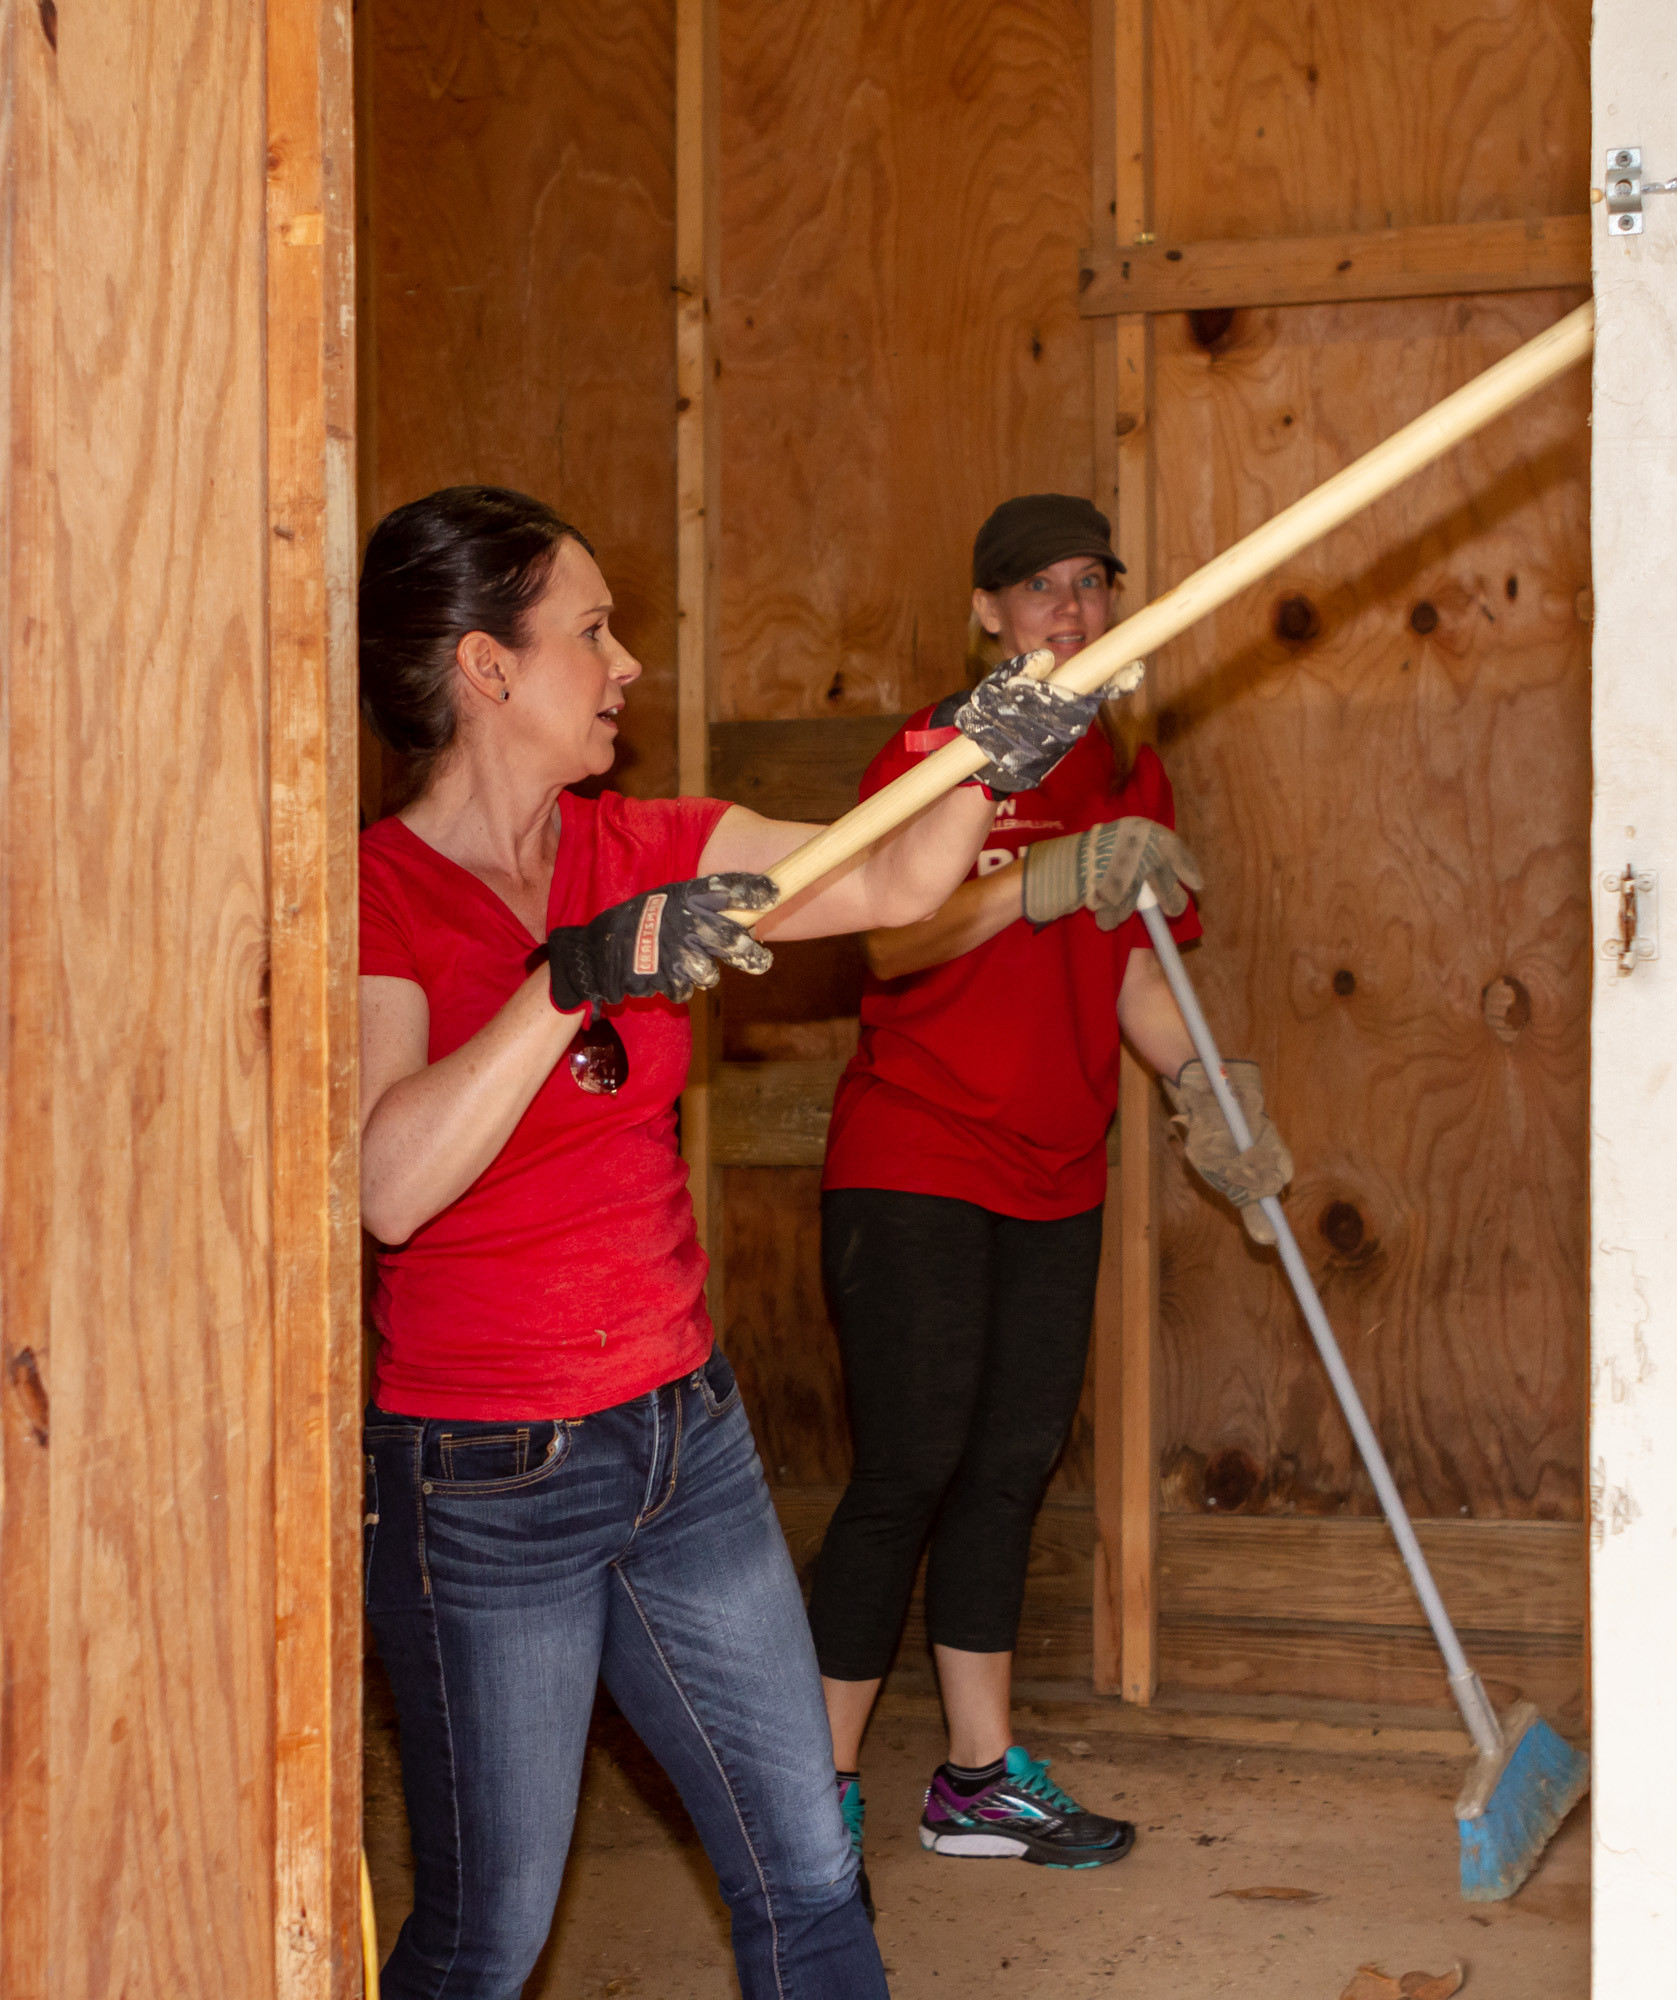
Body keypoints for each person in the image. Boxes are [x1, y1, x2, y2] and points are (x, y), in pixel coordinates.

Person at [357, 485, 1121, 2000]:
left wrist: (988, 749)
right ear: (486, 670)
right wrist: (567, 981)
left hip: (682, 1446)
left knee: (810, 1878)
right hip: (485, 1483)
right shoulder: (380, 899)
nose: (627, 661)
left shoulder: (646, 841)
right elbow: (389, 1181)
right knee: (487, 1936)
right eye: (592, 631)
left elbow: (897, 879)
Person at [802, 494, 1293, 1874]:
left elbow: (1137, 963)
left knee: (1010, 1467)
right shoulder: (934, 757)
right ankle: (812, 1790)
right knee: (908, 1467)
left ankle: (974, 1781)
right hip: (917, 1155)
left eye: (1089, 585)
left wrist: (1206, 1093)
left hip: (1057, 1166)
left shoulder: (1128, 766)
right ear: (986, 611)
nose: (1067, 612)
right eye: (1036, 589)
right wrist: (1037, 881)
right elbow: (889, 950)